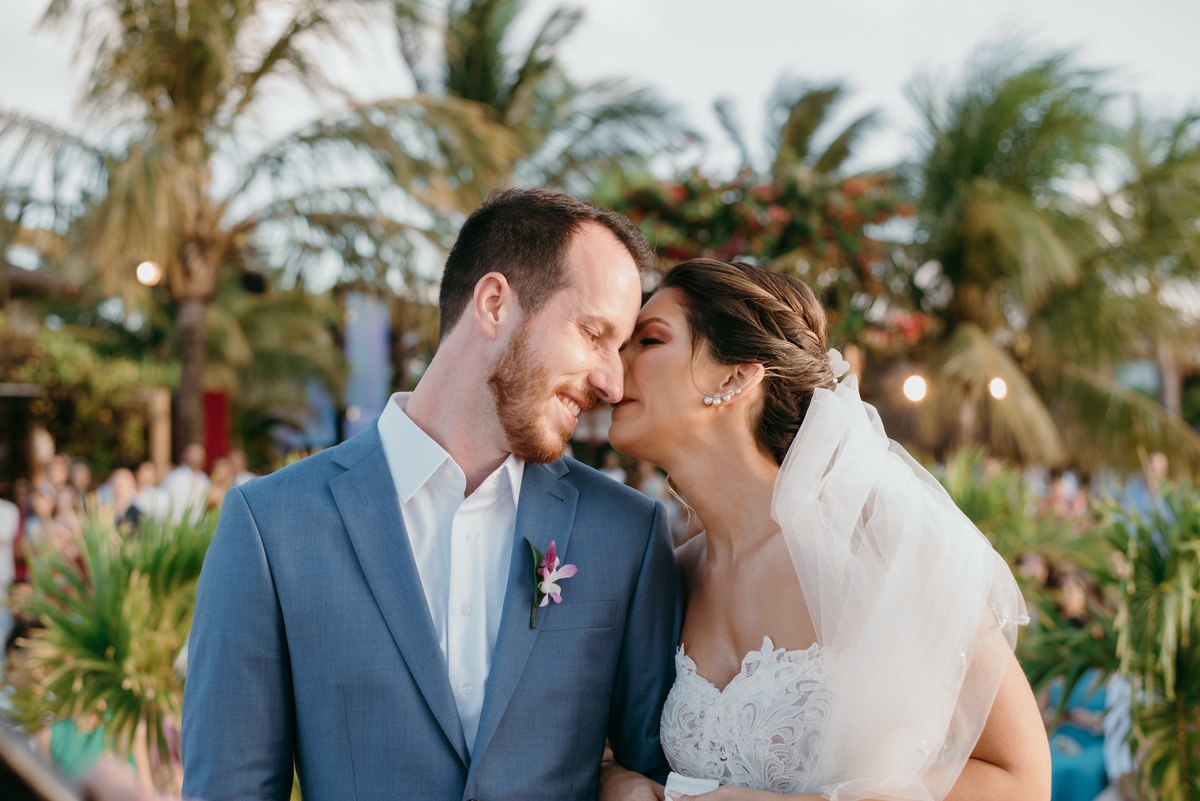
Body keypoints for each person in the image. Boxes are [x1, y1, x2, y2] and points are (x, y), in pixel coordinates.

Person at [183, 188, 685, 801]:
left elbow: (653, 772)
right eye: (593, 333)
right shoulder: (270, 527)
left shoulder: (628, 534)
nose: (611, 381)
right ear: (494, 304)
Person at [601, 259, 1051, 801]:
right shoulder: (673, 575)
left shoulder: (877, 544)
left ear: (737, 375)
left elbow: (1022, 780)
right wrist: (616, 780)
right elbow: (618, 742)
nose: (613, 361)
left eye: (648, 340)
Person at [159, 444, 211, 523]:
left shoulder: (205, 480)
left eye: (200, 454)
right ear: (185, 456)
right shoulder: (174, 477)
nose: (197, 457)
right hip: (176, 522)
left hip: (198, 523)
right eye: (194, 454)